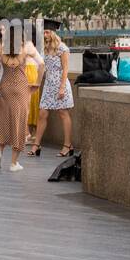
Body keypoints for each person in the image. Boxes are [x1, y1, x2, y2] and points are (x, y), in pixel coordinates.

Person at [0, 24, 41, 171]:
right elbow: (42, 64)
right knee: (20, 122)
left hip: (5, 87)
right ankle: (14, 163)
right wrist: (37, 83)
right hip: (22, 88)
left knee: (5, 119)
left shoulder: (1, 46)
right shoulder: (27, 46)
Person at [32, 20, 74, 157]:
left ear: (53, 33)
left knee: (63, 113)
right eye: (44, 32)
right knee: (42, 113)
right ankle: (36, 145)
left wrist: (62, 88)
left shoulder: (62, 48)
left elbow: (66, 69)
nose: (45, 34)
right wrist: (37, 84)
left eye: (47, 32)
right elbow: (42, 68)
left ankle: (67, 145)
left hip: (60, 84)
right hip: (49, 85)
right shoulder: (45, 48)